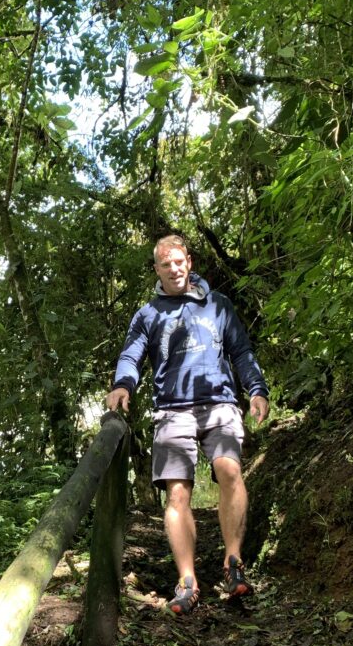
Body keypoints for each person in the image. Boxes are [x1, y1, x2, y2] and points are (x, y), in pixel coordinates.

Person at [105, 234, 269, 612]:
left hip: (220, 402)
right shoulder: (148, 314)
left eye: (179, 262)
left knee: (229, 470)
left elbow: (241, 351)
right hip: (172, 410)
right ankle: (187, 578)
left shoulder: (218, 306)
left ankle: (233, 563)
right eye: (166, 264)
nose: (174, 269)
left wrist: (256, 389)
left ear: (189, 262)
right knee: (177, 493)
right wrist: (122, 385)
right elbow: (131, 355)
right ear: (157, 269)